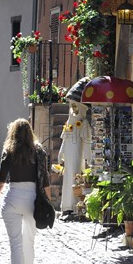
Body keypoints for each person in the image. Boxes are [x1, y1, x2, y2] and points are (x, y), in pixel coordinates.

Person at [0, 118, 50, 264]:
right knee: (29, 242)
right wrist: (48, 204)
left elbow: (0, 182)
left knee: (15, 243)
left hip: (13, 198)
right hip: (33, 200)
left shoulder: (9, 151)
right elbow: (45, 181)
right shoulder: (39, 152)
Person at [58, 78, 91, 218]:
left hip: (79, 157)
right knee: (69, 179)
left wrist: (88, 157)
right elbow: (65, 139)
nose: (73, 109)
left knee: (78, 178)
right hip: (70, 157)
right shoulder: (70, 124)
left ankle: (77, 206)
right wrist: (61, 154)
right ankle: (67, 205)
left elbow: (88, 143)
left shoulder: (84, 125)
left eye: (75, 105)